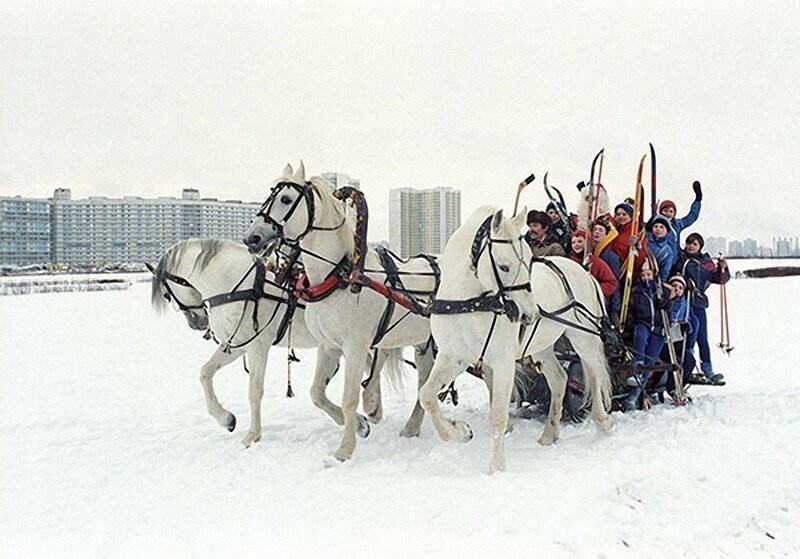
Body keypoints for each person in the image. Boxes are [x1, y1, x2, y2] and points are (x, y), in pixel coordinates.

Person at [672, 232, 730, 382]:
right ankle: (686, 367)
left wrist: (723, 268)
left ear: (700, 246)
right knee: (688, 335)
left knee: (702, 337)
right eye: (689, 243)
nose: (690, 246)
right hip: (682, 303)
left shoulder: (705, 262)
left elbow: (719, 279)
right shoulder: (679, 258)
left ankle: (708, 368)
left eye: (694, 244)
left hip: (697, 302)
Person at [623, 260, 674, 410]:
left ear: (653, 275)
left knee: (650, 361)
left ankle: (633, 396)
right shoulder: (637, 291)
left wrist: (666, 305)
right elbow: (632, 310)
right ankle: (637, 362)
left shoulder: (660, 290)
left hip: (658, 328)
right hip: (643, 323)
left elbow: (671, 304)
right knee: (640, 338)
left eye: (648, 274)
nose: (646, 277)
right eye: (643, 274)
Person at [567, 230, 618, 303]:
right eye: (573, 242)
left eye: (580, 241)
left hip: (593, 302)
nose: (576, 245)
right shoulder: (569, 262)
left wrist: (594, 290)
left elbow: (611, 283)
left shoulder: (596, 262)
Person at [658, 180, 703, 256]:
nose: (668, 214)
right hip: (662, 259)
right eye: (665, 211)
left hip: (675, 259)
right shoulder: (656, 226)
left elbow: (692, 217)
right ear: (660, 212)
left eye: (671, 211)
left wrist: (698, 200)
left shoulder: (677, 224)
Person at [591, 217, 622, 324]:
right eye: (595, 229)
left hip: (604, 299)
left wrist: (614, 310)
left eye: (600, 230)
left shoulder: (611, 257)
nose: (597, 232)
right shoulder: (585, 252)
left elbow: (615, 283)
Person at [645, 214, 675, 284]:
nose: (658, 229)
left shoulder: (667, 251)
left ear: (667, 231)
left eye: (662, 227)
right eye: (656, 226)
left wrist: (660, 284)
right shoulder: (645, 240)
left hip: (651, 278)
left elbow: (665, 271)